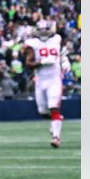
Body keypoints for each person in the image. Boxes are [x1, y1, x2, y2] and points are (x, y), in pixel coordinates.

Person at [24, 19, 67, 148]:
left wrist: (65, 61)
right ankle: (56, 119)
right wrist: (42, 62)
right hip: (40, 81)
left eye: (45, 30)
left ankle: (56, 137)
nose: (43, 32)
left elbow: (62, 53)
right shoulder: (32, 43)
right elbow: (28, 64)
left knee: (53, 106)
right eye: (41, 30)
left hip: (54, 80)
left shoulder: (57, 39)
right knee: (42, 111)